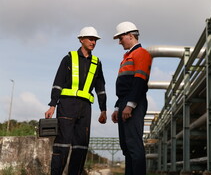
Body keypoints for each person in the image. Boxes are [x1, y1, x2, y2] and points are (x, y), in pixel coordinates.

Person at [44, 26, 107, 175]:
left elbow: (101, 88)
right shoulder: (68, 59)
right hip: (67, 105)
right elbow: (58, 82)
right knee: (62, 144)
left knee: (81, 146)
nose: (93, 42)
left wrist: (103, 109)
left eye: (95, 40)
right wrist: (52, 105)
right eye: (90, 39)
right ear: (81, 40)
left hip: (85, 109)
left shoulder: (97, 63)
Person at [111, 21, 152, 175]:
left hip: (134, 101)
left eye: (121, 38)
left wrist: (130, 104)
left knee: (134, 144)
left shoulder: (141, 53)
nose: (119, 42)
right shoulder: (127, 57)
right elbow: (124, 86)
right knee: (126, 145)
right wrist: (117, 107)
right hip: (124, 101)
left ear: (130, 35)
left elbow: (140, 81)